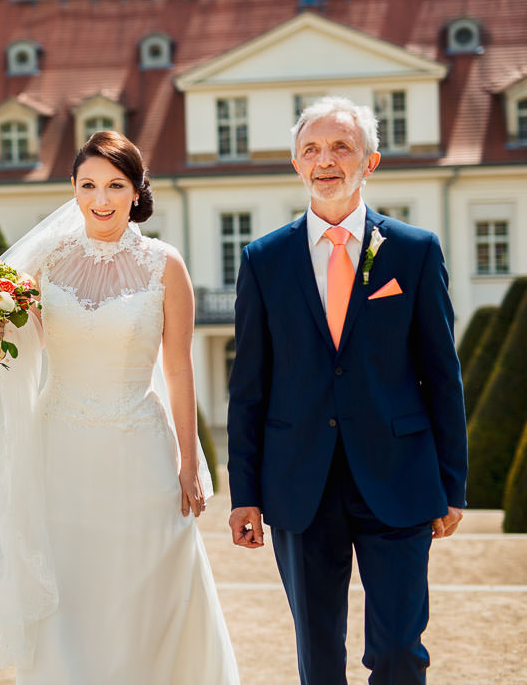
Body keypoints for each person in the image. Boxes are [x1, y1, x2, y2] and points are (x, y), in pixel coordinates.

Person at [0, 131, 239, 684]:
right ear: (73, 190)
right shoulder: (45, 264)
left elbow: (177, 367)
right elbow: (20, 350)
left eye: (114, 185)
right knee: (70, 593)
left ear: (136, 192)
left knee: (150, 586)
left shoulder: (164, 265)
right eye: (88, 185)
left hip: (141, 451)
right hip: (60, 452)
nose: (100, 199)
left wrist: (188, 458)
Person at [227, 96, 466, 684]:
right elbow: (249, 387)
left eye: (341, 147)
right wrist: (244, 492)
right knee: (319, 659)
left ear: (371, 162)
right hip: (298, 484)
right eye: (311, 148)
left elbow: (442, 374)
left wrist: (451, 484)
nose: (325, 160)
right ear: (296, 165)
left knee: (398, 652)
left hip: (400, 479)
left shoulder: (414, 252)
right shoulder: (263, 260)